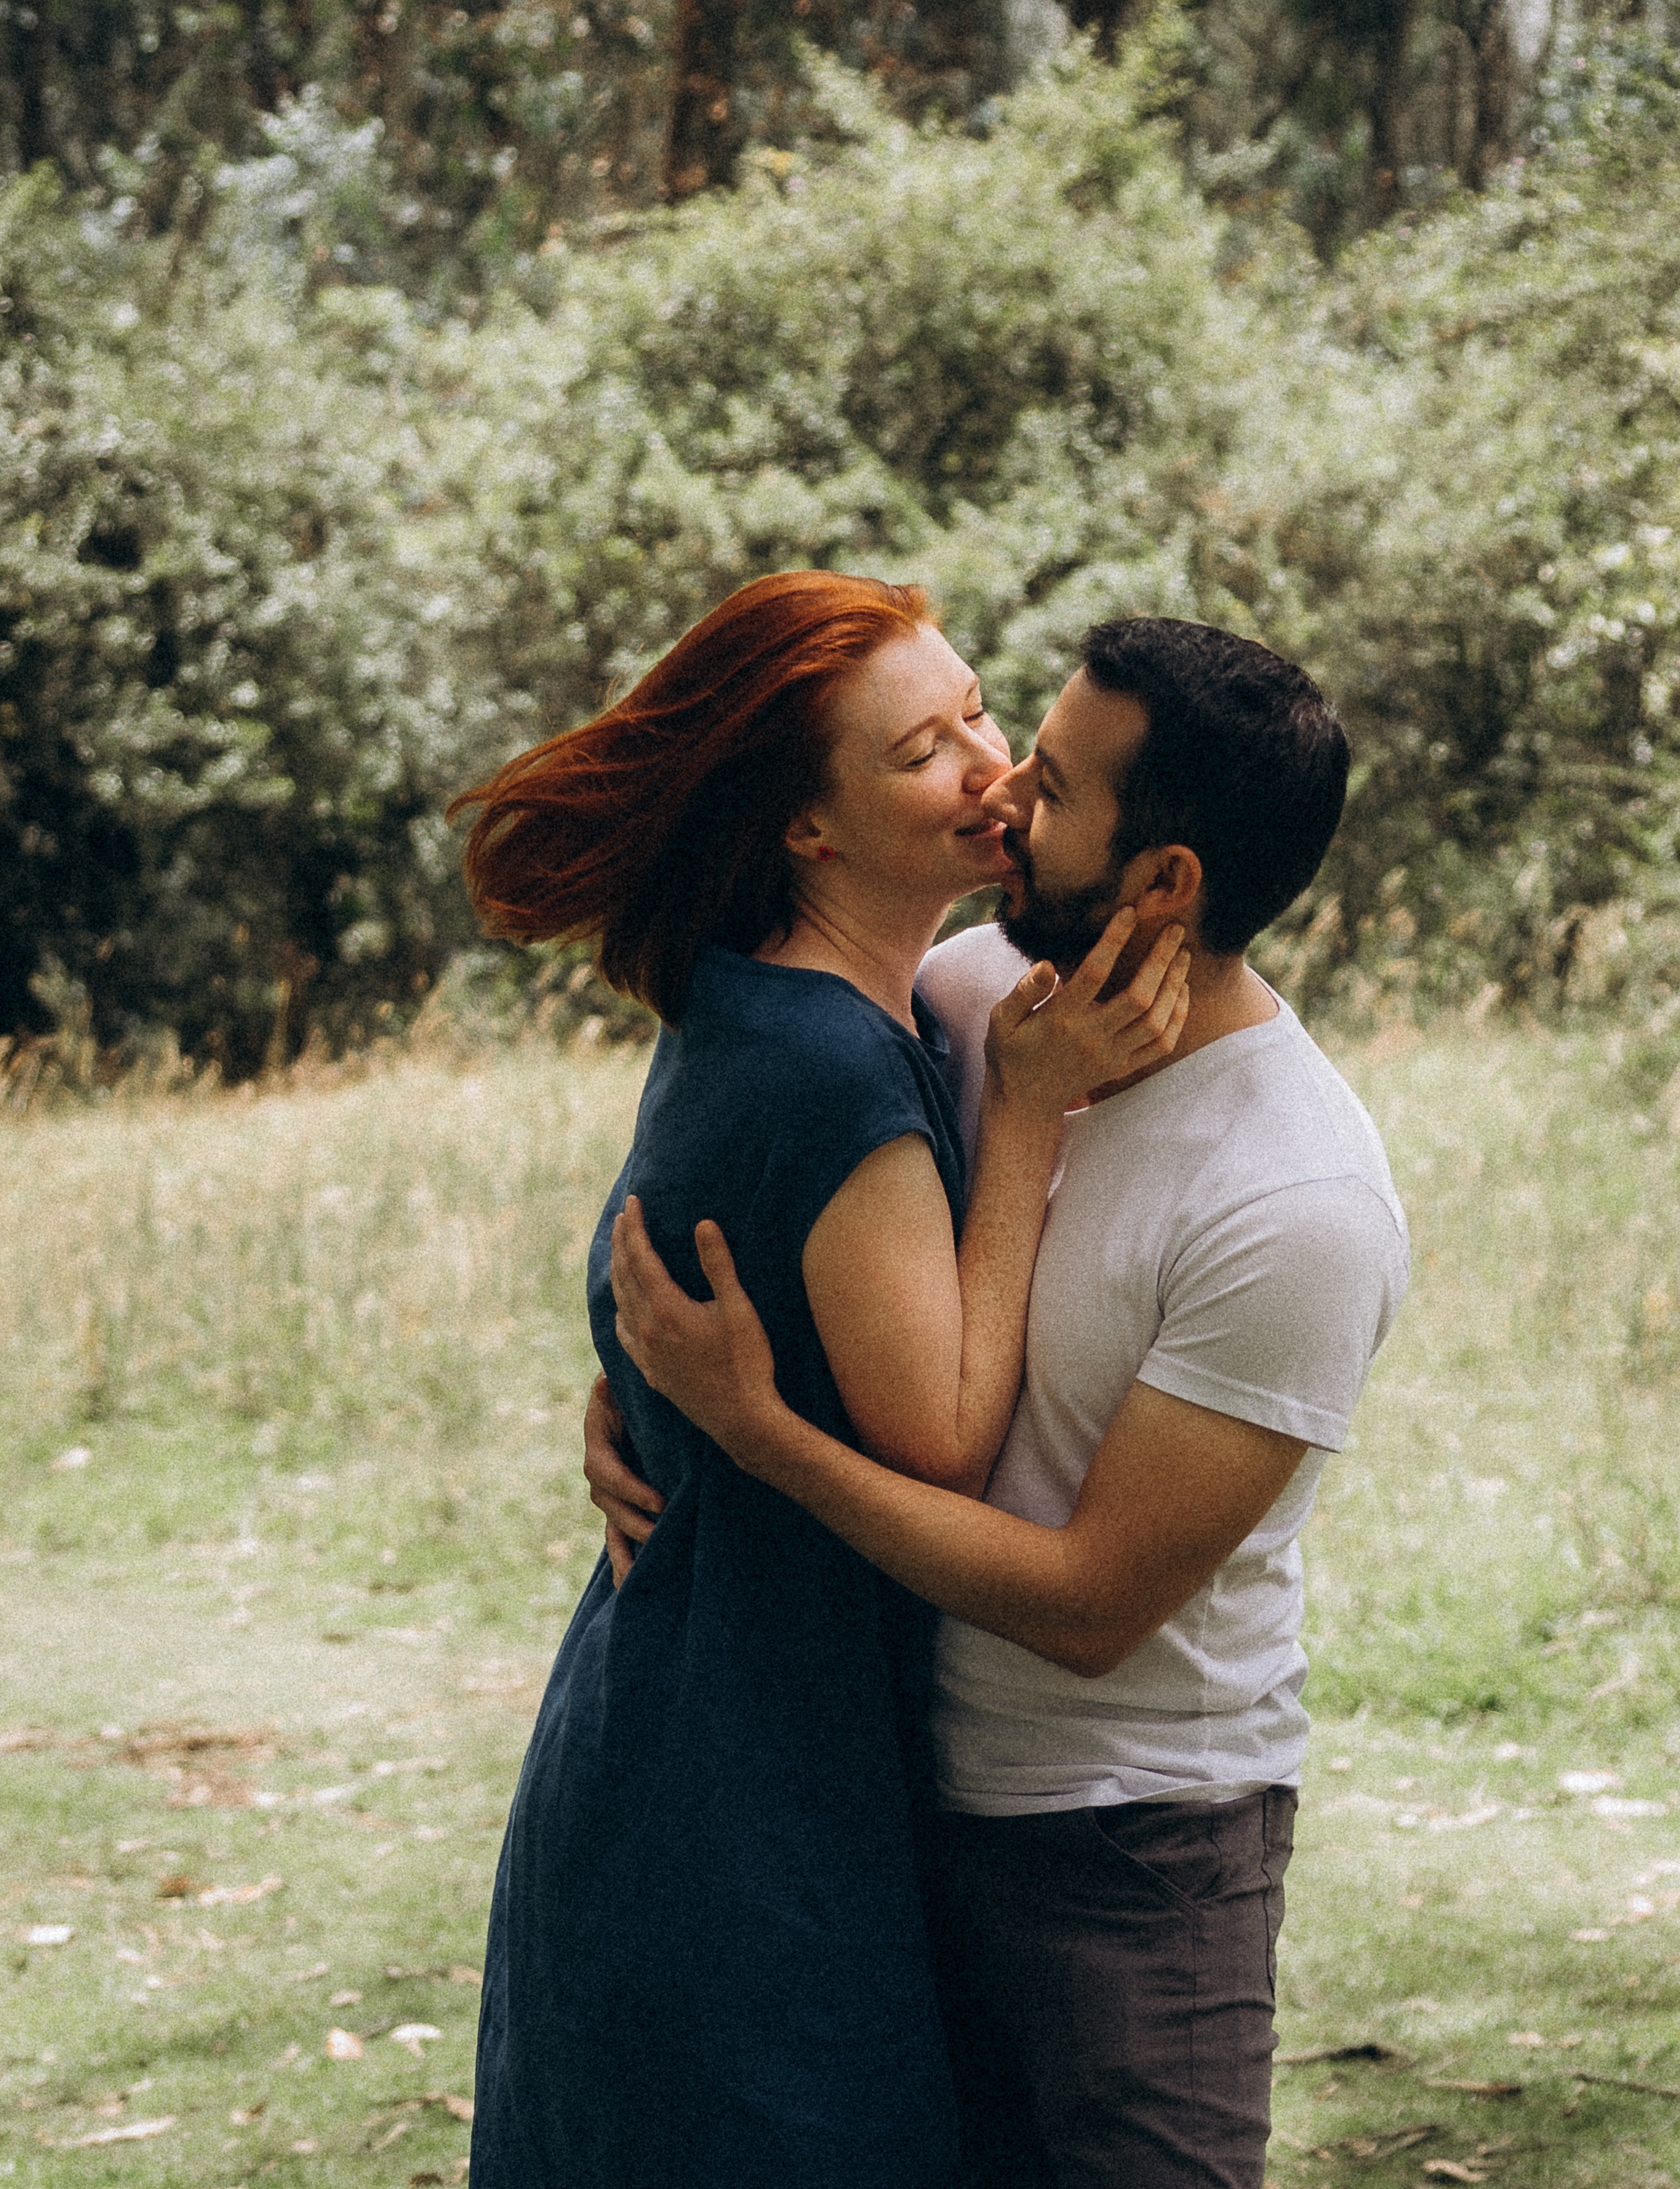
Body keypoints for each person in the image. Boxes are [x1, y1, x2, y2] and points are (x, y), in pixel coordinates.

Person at [597, 614, 1411, 2189]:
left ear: (1162, 880)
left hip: (1132, 1847)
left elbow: (1094, 1605)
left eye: (1045, 782)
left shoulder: (1294, 1196)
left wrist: (758, 1437)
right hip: (892, 1791)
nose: (1000, 794)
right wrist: (637, 1386)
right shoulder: (970, 997)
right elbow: (768, 1181)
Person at [445, 571, 1191, 2189]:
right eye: (925, 751)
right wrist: (1031, 1117)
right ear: (807, 826)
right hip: (734, 1802)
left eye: (980, 712)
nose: (989, 768)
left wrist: (652, 1417)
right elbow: (936, 1437)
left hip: (715, 1742)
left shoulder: (796, 1001)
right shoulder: (829, 1054)